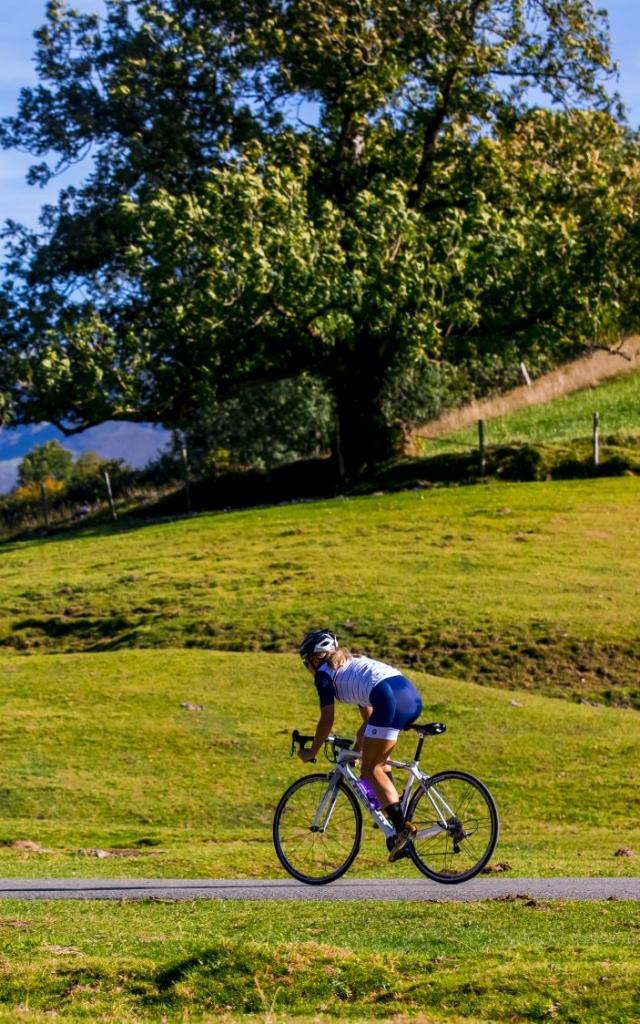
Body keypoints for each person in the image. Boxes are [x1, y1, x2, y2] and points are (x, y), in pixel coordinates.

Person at [298, 628, 423, 862]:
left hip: (388, 698)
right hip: (409, 695)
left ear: (314, 659)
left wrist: (311, 751)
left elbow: (327, 719)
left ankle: (401, 830)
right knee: (377, 762)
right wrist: (358, 747)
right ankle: (394, 812)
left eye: (306, 662)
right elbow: (368, 719)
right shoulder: (352, 664)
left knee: (369, 769)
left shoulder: (324, 675)